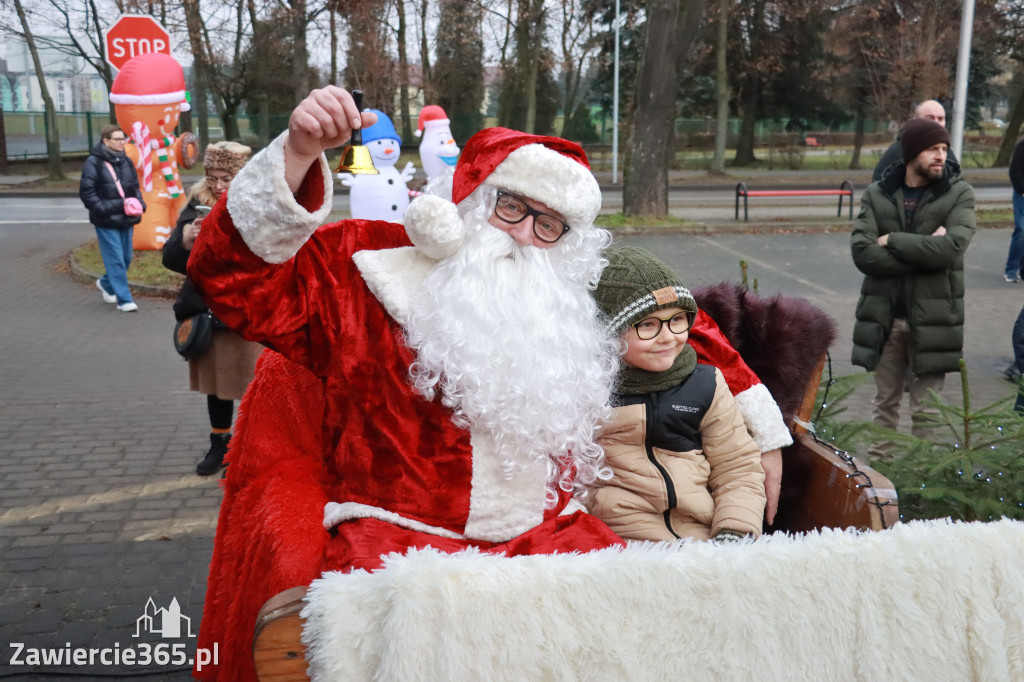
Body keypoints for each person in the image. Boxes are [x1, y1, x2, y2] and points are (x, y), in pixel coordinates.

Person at [186, 86, 789, 679]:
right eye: (512, 208)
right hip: (399, 541)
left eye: (549, 224)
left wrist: (762, 427)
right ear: (472, 202)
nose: (526, 234)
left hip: (547, 534)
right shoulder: (369, 271)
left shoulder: (565, 294)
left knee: (640, 639)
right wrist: (295, 156)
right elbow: (233, 282)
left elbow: (693, 328)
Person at [590, 246, 766, 542]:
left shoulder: (704, 384)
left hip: (704, 537)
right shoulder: (585, 393)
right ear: (607, 332)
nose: (668, 337)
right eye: (647, 324)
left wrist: (733, 531)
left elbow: (737, 467)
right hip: (621, 545)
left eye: (677, 320)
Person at [851, 117, 976, 460]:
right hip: (885, 320)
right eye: (933, 149)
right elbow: (863, 254)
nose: (941, 156)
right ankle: (882, 487)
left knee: (927, 414)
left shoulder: (958, 194)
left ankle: (922, 491)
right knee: (883, 409)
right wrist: (925, 250)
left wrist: (891, 240)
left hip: (935, 322)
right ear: (911, 153)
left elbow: (951, 249)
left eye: (944, 148)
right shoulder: (878, 194)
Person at [162, 142, 262, 476]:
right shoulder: (198, 203)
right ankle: (219, 445)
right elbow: (171, 259)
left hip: (246, 311)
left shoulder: (259, 204)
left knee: (253, 386)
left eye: (226, 179)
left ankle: (254, 449)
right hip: (208, 311)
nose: (218, 186)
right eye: (212, 178)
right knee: (217, 387)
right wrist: (187, 241)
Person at [79, 124, 146, 312]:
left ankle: (107, 284)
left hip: (127, 217)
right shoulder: (94, 162)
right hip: (106, 219)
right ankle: (124, 300)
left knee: (126, 258)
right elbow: (87, 192)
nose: (121, 142)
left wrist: (140, 203)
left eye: (122, 139)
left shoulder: (126, 161)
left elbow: (134, 187)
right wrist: (103, 208)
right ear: (106, 141)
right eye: (117, 139)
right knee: (115, 259)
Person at [872, 100, 959, 183]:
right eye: (929, 118)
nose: (936, 123)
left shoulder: (947, 153)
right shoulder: (899, 151)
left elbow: (956, 184)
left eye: (940, 119)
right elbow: (878, 188)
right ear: (915, 120)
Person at [1005, 137, 1024, 282]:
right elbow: (1014, 171)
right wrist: (1022, 190)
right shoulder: (1022, 147)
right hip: (1022, 195)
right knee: (1022, 231)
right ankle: (1011, 270)